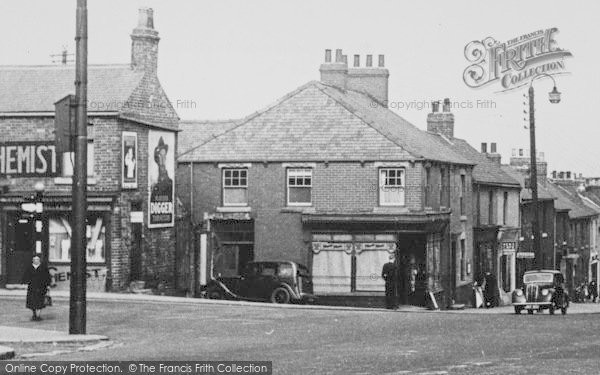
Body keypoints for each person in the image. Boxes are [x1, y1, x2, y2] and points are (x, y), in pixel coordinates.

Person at [21, 254, 51, 321]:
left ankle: (38, 315)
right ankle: (34, 314)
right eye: (34, 259)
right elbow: (26, 276)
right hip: (32, 287)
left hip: (41, 287)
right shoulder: (29, 267)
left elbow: (47, 277)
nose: (36, 261)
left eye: (37, 259)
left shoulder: (43, 267)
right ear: (32, 260)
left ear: (39, 260)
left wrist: (48, 285)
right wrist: (24, 282)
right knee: (32, 301)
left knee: (40, 301)